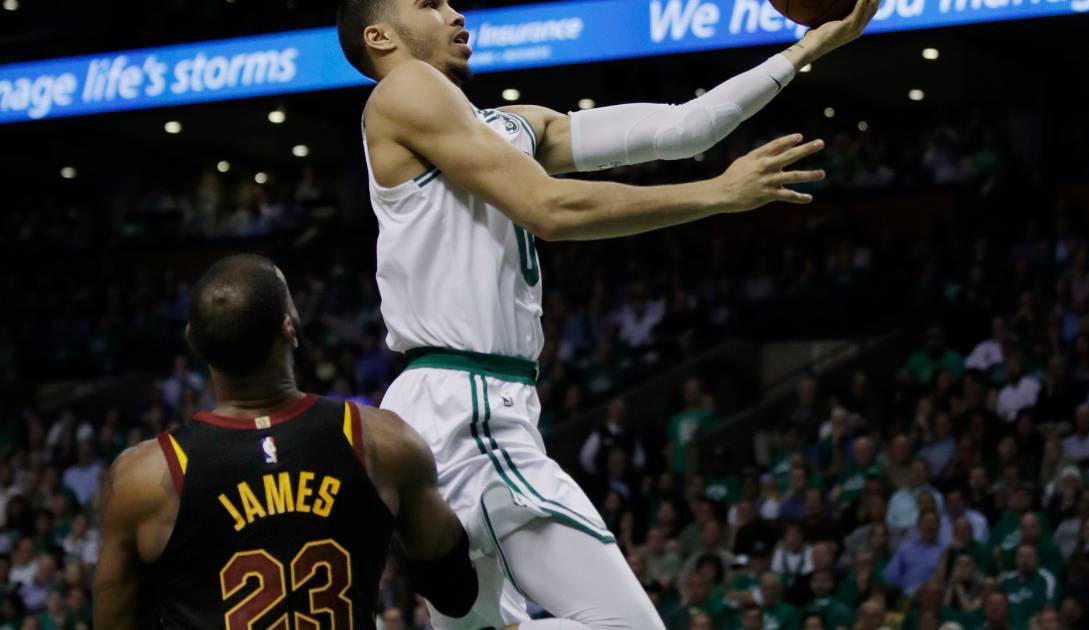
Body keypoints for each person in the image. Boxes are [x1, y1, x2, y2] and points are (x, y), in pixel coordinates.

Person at [338, 0, 881, 626]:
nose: (455, 13)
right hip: (467, 406)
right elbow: (548, 208)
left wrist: (808, 48)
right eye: (429, 3)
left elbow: (684, 128)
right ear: (380, 37)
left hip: (462, 404)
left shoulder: (508, 127)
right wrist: (716, 193)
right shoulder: (404, 88)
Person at [92, 255, 482, 628]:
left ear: (193, 339)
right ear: (290, 328)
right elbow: (455, 593)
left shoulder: (142, 478)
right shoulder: (383, 441)